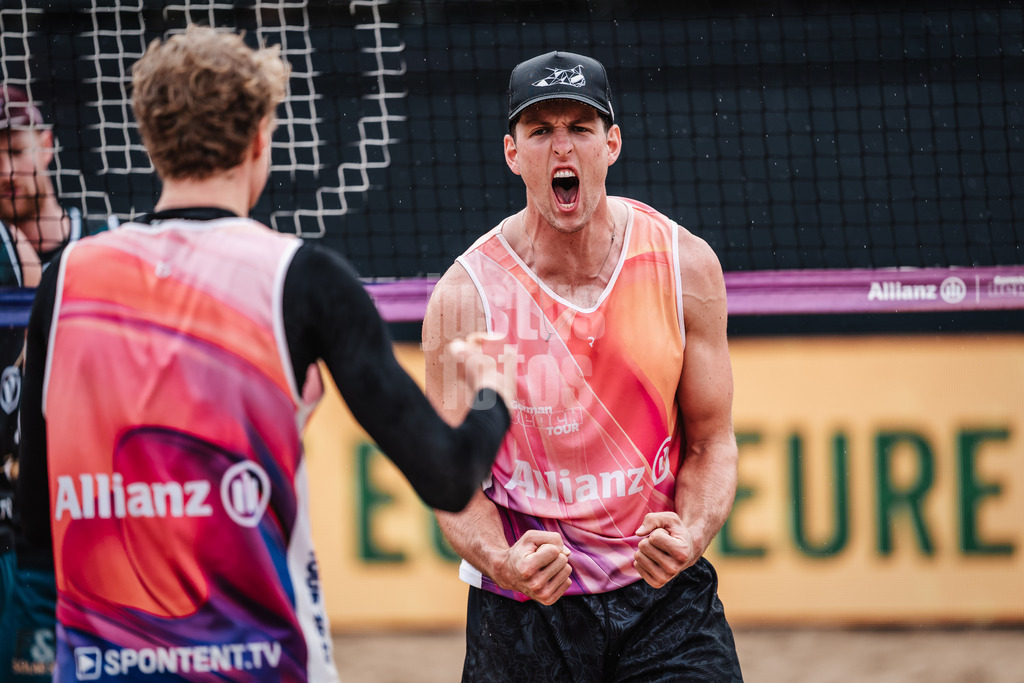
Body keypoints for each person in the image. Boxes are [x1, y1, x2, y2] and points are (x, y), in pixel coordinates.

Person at [16, 25, 511, 682]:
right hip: (253, 662)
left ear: (151, 141)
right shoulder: (300, 277)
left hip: (104, 662)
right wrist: (490, 394)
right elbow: (448, 477)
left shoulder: (68, 276)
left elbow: (35, 524)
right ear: (257, 141)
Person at [423, 50, 743, 681]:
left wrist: (693, 533)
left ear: (612, 144)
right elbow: (450, 482)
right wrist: (503, 559)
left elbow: (711, 441)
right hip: (522, 610)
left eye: (580, 128)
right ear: (513, 154)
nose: (561, 148)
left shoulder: (685, 265)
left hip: (664, 600)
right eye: (541, 131)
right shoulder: (466, 297)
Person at [0, 83, 113, 681]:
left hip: (98, 516)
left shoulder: (107, 246)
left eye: (14, 149)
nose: (3, 169)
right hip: (18, 525)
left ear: (45, 145)